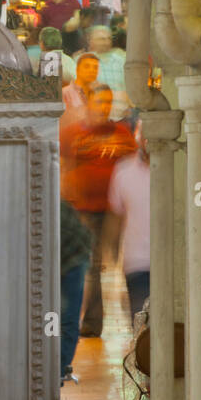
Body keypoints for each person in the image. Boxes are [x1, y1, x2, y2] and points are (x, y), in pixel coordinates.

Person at [60, 85, 136, 338]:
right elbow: (62, 165)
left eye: (107, 102)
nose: (103, 106)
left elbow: (134, 166)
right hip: (85, 211)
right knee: (93, 267)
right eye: (99, 101)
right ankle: (92, 323)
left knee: (125, 264)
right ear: (90, 104)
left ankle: (137, 321)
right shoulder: (74, 134)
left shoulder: (122, 134)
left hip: (118, 211)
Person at [107, 123, 150, 323]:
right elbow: (116, 215)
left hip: (175, 261)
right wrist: (112, 253)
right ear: (137, 136)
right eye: (144, 132)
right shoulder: (123, 171)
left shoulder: (179, 168)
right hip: (137, 263)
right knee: (141, 327)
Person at [60, 199, 93, 384]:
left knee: (68, 318)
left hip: (73, 260)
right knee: (64, 319)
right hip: (68, 257)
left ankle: (59, 370)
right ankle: (57, 370)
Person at [88, 24, 129, 119]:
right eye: (102, 39)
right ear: (91, 41)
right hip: (96, 118)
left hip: (122, 117)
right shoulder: (84, 62)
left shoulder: (121, 60)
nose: (106, 42)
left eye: (109, 38)